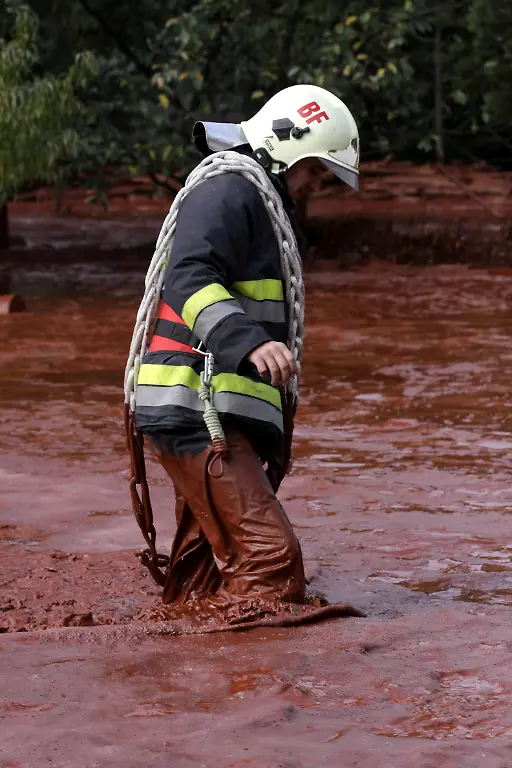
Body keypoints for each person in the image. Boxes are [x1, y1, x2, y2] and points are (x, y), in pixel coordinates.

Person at [131, 84, 359, 615]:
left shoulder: (254, 197)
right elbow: (185, 276)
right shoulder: (231, 189)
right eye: (316, 170)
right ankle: (247, 690)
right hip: (195, 410)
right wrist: (247, 340)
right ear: (287, 149)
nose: (315, 185)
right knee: (271, 565)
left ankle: (181, 672)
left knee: (207, 572)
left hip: (205, 412)